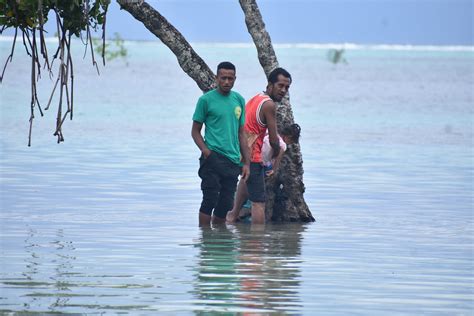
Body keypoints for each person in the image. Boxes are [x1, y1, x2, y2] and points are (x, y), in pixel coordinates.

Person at [226, 67, 292, 225]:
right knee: (259, 202)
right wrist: (276, 153)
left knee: (244, 180)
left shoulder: (257, 97)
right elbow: (275, 140)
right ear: (270, 84)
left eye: (287, 87)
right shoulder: (269, 105)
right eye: (280, 86)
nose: (283, 90)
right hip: (252, 155)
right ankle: (257, 243)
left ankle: (232, 216)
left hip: (239, 150)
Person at [191, 61, 250, 226]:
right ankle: (205, 238)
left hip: (232, 160)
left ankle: (218, 241)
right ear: (216, 78)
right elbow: (195, 131)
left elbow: (241, 133)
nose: (226, 82)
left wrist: (246, 162)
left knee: (225, 205)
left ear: (235, 79)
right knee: (210, 199)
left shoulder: (239, 100)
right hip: (212, 157)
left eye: (230, 79)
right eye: (223, 78)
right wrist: (206, 151)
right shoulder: (205, 100)